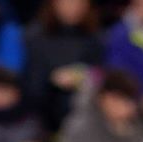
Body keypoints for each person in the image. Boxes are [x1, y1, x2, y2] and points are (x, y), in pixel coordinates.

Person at [23, 0, 105, 131]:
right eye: (67, 2)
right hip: (44, 113)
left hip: (85, 113)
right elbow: (31, 84)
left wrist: (82, 76)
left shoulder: (96, 37)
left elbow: (103, 73)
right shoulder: (35, 36)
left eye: (79, 3)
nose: (73, 8)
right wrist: (52, 78)